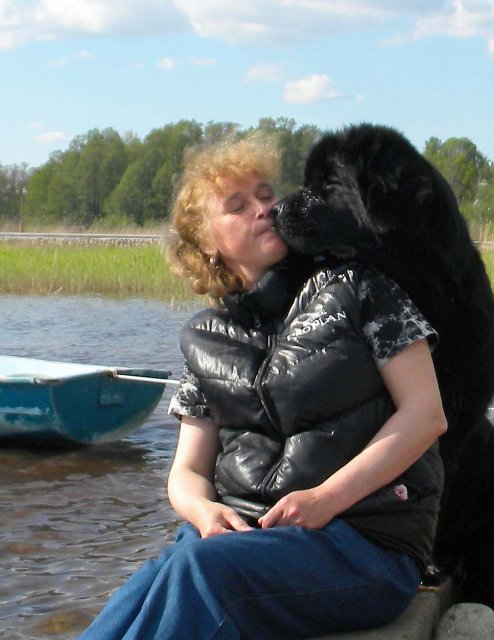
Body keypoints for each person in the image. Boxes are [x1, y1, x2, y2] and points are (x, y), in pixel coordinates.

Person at [78, 134, 447, 640]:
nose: (262, 209)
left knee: (203, 571)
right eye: (238, 205)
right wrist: (204, 511)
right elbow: (186, 470)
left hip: (366, 545)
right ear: (207, 242)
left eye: (266, 194)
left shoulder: (361, 285)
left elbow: (426, 415)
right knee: (150, 581)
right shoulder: (205, 339)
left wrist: (325, 498)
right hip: (249, 541)